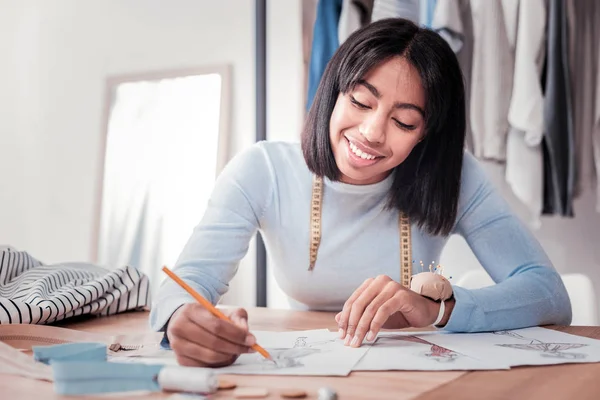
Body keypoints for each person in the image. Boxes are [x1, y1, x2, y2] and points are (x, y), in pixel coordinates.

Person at [149, 18, 572, 368]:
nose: (371, 133)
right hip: (308, 368)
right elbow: (189, 281)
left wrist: (438, 310)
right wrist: (182, 318)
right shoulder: (263, 170)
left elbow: (548, 293)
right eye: (360, 101)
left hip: (410, 375)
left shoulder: (454, 176)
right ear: (335, 91)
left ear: (426, 136)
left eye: (404, 122)